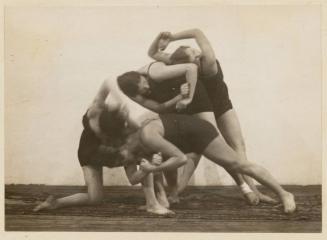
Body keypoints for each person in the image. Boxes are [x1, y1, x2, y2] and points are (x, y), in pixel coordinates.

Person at [147, 29, 276, 204]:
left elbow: (191, 35)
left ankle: (252, 189)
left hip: (220, 104)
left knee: (238, 145)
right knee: (205, 148)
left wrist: (169, 38)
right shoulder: (191, 64)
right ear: (189, 62)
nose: (198, 52)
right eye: (194, 53)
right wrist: (162, 42)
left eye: (194, 50)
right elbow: (156, 51)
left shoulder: (207, 63)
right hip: (201, 106)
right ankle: (177, 191)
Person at [33, 80, 173, 215]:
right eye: (101, 134)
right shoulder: (95, 110)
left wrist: (147, 167)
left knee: (145, 146)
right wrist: (121, 100)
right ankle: (56, 203)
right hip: (89, 152)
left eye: (107, 139)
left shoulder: (123, 139)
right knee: (95, 198)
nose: (103, 138)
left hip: (112, 148)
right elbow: (108, 82)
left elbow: (133, 178)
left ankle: (153, 202)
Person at [117, 113, 296, 214]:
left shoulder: (147, 135)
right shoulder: (137, 139)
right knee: (162, 158)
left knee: (239, 165)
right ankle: (171, 197)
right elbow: (136, 176)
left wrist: (154, 168)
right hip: (184, 135)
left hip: (198, 133)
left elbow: (181, 159)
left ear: (128, 138)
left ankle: (284, 193)